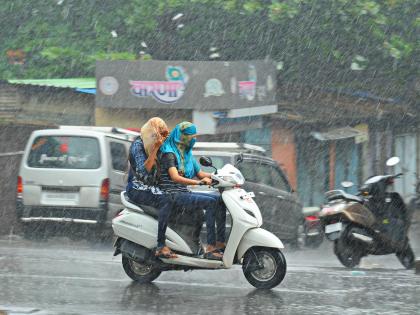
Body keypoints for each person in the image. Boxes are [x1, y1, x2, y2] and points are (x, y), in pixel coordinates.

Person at [159, 121, 226, 260]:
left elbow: (201, 173)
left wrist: (222, 176)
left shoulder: (187, 154)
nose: (193, 139)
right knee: (210, 203)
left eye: (195, 136)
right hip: (173, 194)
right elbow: (175, 177)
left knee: (220, 200)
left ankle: (220, 243)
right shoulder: (169, 153)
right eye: (191, 136)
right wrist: (198, 183)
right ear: (181, 136)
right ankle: (210, 247)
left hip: (183, 192)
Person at [126, 117, 177, 259]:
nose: (160, 137)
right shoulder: (139, 145)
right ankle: (161, 245)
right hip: (137, 187)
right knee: (166, 200)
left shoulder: (160, 144)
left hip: (152, 186)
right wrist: (155, 148)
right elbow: (144, 171)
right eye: (158, 134)